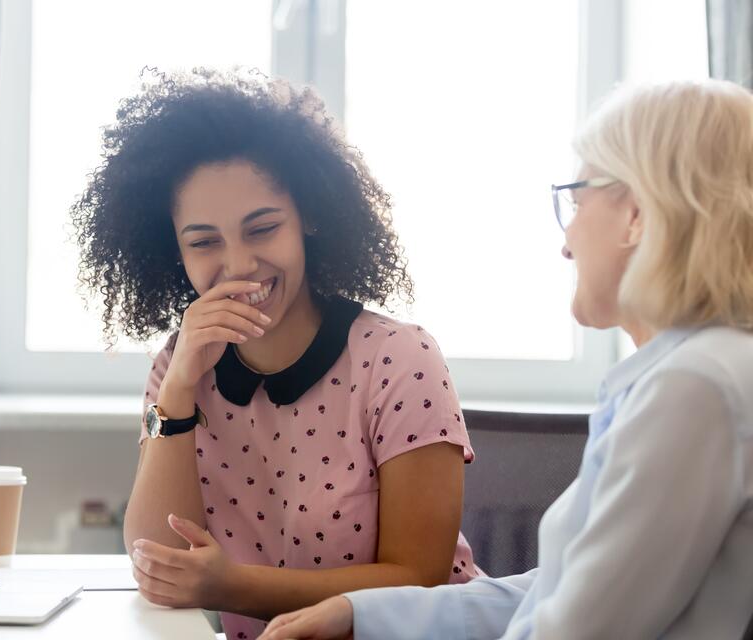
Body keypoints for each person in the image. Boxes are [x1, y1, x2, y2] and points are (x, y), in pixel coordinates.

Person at [258, 79, 753, 640]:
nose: (566, 242)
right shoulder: (696, 373)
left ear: (636, 213)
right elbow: (557, 593)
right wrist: (360, 612)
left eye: (577, 198)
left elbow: (577, 629)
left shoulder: (695, 387)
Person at [70, 68, 482, 640]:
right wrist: (179, 389)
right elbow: (161, 566)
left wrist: (230, 586)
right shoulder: (179, 365)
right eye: (204, 241)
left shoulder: (400, 359)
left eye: (262, 229)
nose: (238, 265)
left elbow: (420, 579)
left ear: (308, 216)